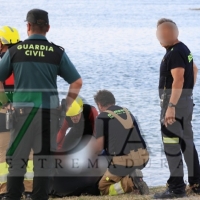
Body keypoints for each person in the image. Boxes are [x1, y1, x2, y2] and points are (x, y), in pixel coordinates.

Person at [0, 8, 82, 200]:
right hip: (49, 114)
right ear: (48, 28)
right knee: (43, 161)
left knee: (17, 160)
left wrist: (7, 102)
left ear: (28, 27)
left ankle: (12, 196)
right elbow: (77, 82)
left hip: (21, 114)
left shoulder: (14, 51)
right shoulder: (56, 52)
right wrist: (66, 106)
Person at [154, 18, 200, 199]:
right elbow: (195, 69)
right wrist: (187, 94)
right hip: (185, 103)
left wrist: (171, 106)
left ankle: (176, 188)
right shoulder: (184, 49)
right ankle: (196, 183)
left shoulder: (174, 53)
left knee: (172, 144)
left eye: (163, 33)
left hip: (174, 105)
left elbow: (179, 78)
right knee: (186, 143)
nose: (160, 37)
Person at [94, 90, 149, 196]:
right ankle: (133, 177)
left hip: (123, 162)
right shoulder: (127, 111)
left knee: (102, 188)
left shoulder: (101, 118)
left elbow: (99, 148)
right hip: (143, 157)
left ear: (99, 105)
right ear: (113, 101)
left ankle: (131, 182)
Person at [0, 26, 33, 200]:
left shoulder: (3, 60)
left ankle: (6, 190)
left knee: (3, 150)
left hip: (4, 110)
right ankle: (29, 189)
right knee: (29, 150)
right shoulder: (24, 59)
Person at [51, 96, 101, 197]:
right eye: (72, 116)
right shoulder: (68, 116)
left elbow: (96, 135)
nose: (74, 118)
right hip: (76, 131)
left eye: (76, 115)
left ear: (81, 111)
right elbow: (61, 133)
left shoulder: (91, 112)